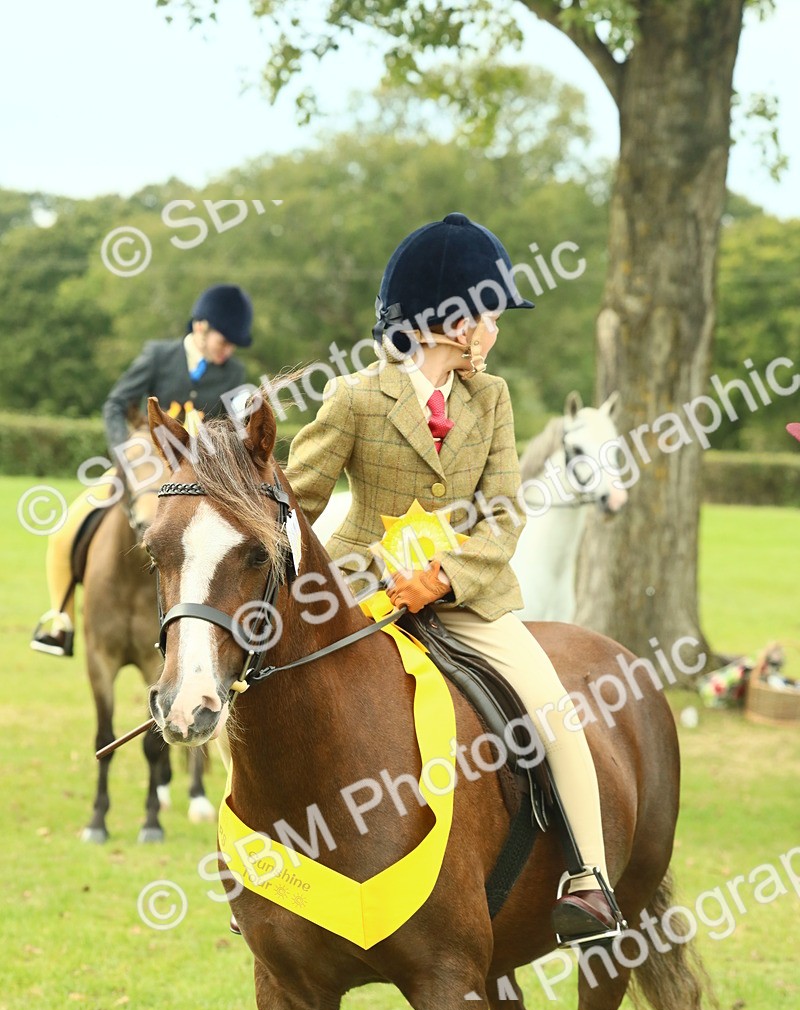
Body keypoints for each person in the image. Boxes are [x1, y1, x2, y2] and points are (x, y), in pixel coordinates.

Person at [284, 212, 622, 944]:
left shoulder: (490, 398)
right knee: (275, 687)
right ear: (451, 320)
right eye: (490, 311)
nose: (497, 326)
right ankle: (269, 872)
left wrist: (443, 577)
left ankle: (588, 879)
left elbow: (503, 516)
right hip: (358, 586)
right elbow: (296, 506)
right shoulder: (353, 398)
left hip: (468, 597)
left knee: (553, 708)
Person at [31, 284, 253, 656]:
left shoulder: (235, 373)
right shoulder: (157, 356)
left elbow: (235, 430)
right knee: (64, 530)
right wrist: (125, 454)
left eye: (232, 345)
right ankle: (60, 620)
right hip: (141, 469)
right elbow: (116, 404)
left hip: (194, 481)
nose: (227, 350)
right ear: (200, 326)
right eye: (224, 340)